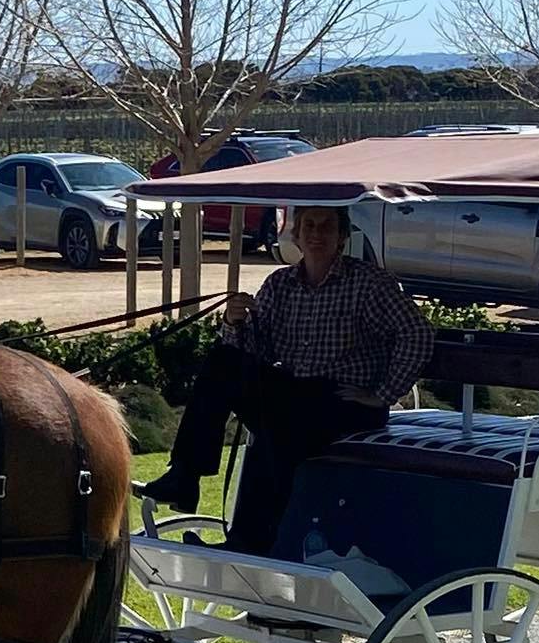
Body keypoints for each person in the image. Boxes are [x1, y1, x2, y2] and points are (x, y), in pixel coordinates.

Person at [154, 197, 433, 547]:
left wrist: (383, 394)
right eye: (309, 226)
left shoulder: (368, 284)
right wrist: (233, 322)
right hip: (292, 394)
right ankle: (185, 474)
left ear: (342, 236)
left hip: (344, 402)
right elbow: (257, 350)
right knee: (225, 360)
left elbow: (418, 333)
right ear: (296, 236)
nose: (317, 234)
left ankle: (249, 539)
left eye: (327, 226)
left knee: (280, 420)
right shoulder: (280, 284)